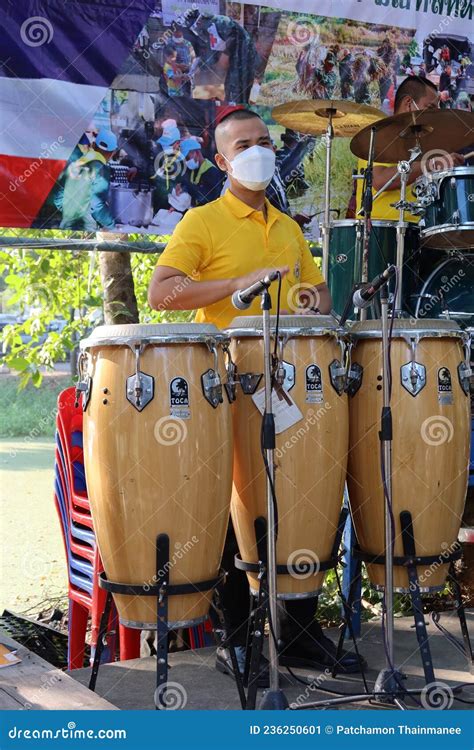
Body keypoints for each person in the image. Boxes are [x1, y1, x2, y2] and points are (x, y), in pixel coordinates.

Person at [148, 108, 361, 685]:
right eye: (244, 144)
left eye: (265, 141)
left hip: (294, 383)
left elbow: (314, 291)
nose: (258, 150)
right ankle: (236, 637)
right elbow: (163, 293)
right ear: (222, 160)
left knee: (300, 499)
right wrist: (237, 285)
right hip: (228, 384)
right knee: (232, 505)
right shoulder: (203, 221)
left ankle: (294, 630)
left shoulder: (288, 228)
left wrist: (316, 301)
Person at [355, 76, 465, 222]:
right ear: (408, 103)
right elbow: (379, 179)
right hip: (380, 231)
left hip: (418, 230)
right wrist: (432, 164)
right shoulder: (378, 133)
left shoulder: (424, 142)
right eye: (430, 108)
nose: (435, 115)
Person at [60, 128, 117, 231]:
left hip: (65, 226)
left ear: (93, 145)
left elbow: (59, 195)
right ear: (112, 153)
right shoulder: (101, 170)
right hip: (86, 229)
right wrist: (112, 226)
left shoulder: (77, 162)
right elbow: (97, 206)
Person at [180, 138, 224, 206]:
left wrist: (187, 186)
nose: (186, 162)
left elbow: (206, 197)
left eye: (187, 158)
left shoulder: (212, 172)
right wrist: (181, 187)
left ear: (197, 153)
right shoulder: (194, 168)